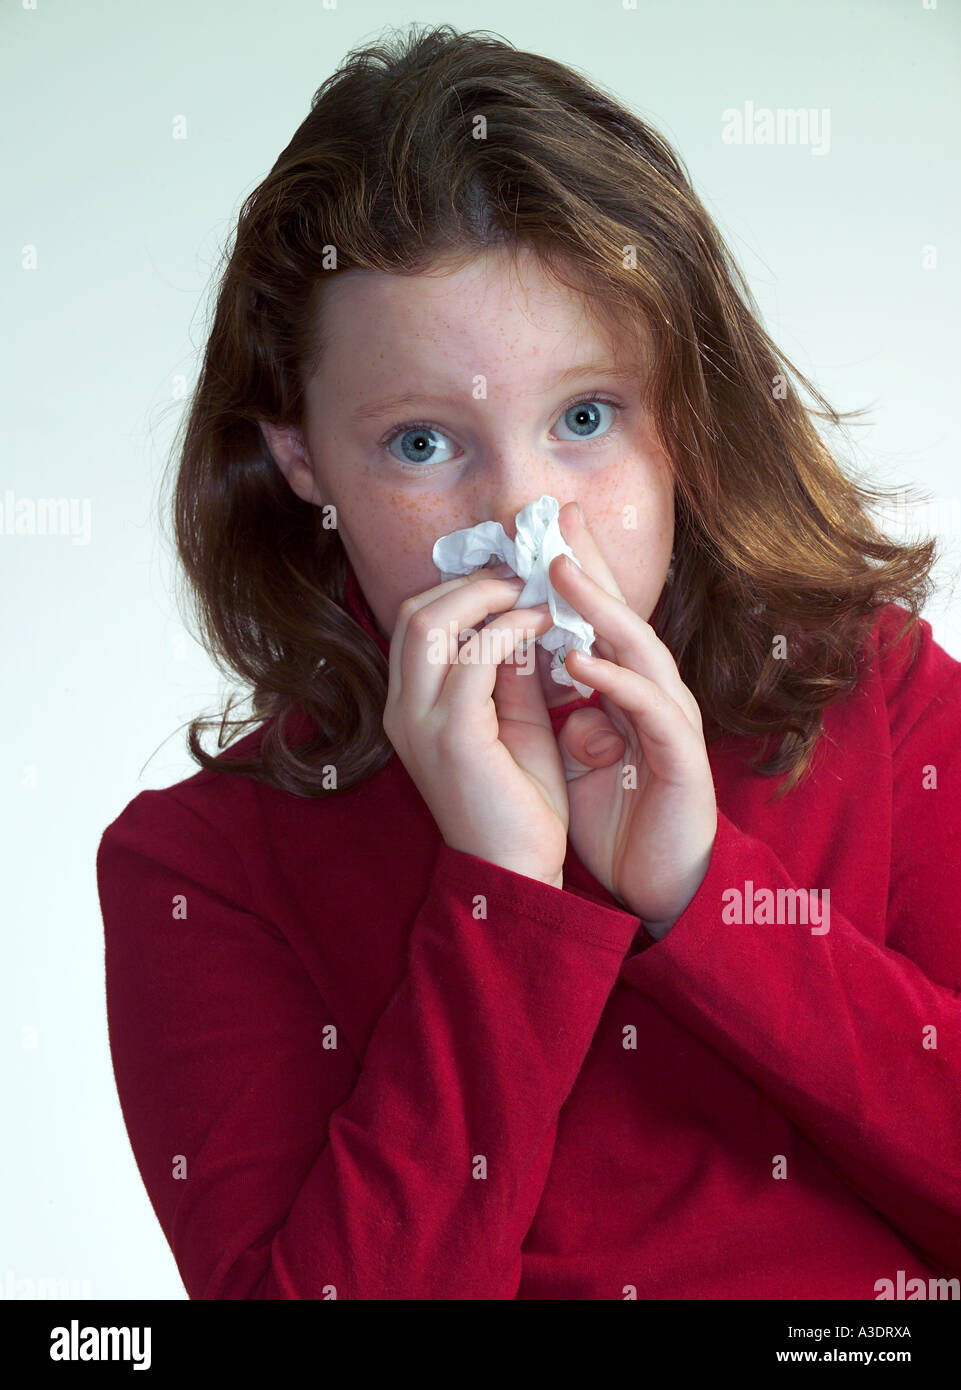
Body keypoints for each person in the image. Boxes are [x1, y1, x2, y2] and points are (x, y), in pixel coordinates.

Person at [96, 23, 961, 1300]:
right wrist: (502, 899)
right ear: (301, 462)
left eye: (585, 418)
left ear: (684, 417)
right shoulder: (201, 869)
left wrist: (700, 887)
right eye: (421, 446)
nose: (523, 516)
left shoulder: (872, 692)